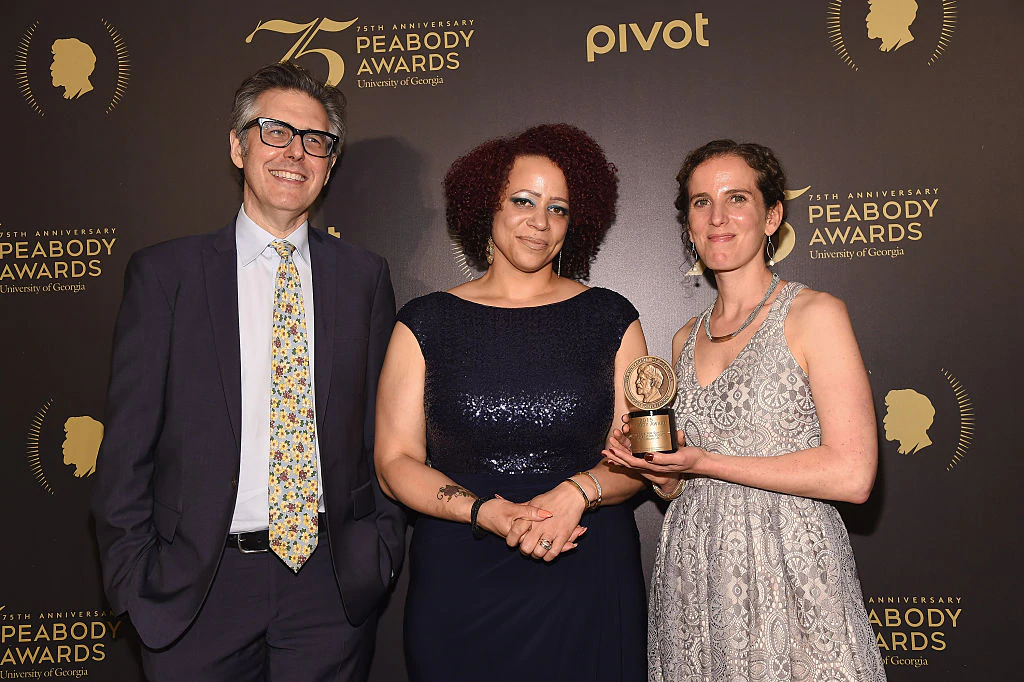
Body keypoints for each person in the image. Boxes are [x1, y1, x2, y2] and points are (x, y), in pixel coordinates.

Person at [92, 62, 405, 681]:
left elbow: (379, 434)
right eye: (275, 131)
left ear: (331, 161)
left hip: (328, 586)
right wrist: (136, 580)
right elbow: (126, 448)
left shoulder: (364, 278)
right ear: (237, 146)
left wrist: (379, 552)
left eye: (317, 140)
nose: (297, 152)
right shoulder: (166, 276)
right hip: (197, 588)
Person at [604, 140, 887, 681]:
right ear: (688, 224)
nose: (717, 217)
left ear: (772, 215)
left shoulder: (814, 315)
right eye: (700, 202)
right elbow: (678, 486)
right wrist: (653, 468)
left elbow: (853, 475)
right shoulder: (683, 340)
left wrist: (704, 461)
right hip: (695, 574)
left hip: (791, 569)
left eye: (737, 198)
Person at [375, 124, 648, 681]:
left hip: (585, 568)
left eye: (559, 208)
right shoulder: (426, 322)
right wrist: (484, 512)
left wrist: (577, 493)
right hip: (461, 577)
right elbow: (395, 460)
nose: (539, 222)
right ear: (487, 206)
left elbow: (641, 457)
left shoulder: (611, 317)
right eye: (523, 200)